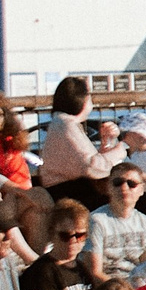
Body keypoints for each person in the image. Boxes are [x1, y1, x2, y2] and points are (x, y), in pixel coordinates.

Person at [37, 77, 114, 210]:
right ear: (81, 99)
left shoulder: (62, 124)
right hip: (70, 194)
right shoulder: (65, 125)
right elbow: (90, 167)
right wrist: (120, 149)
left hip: (70, 191)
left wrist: (107, 142)